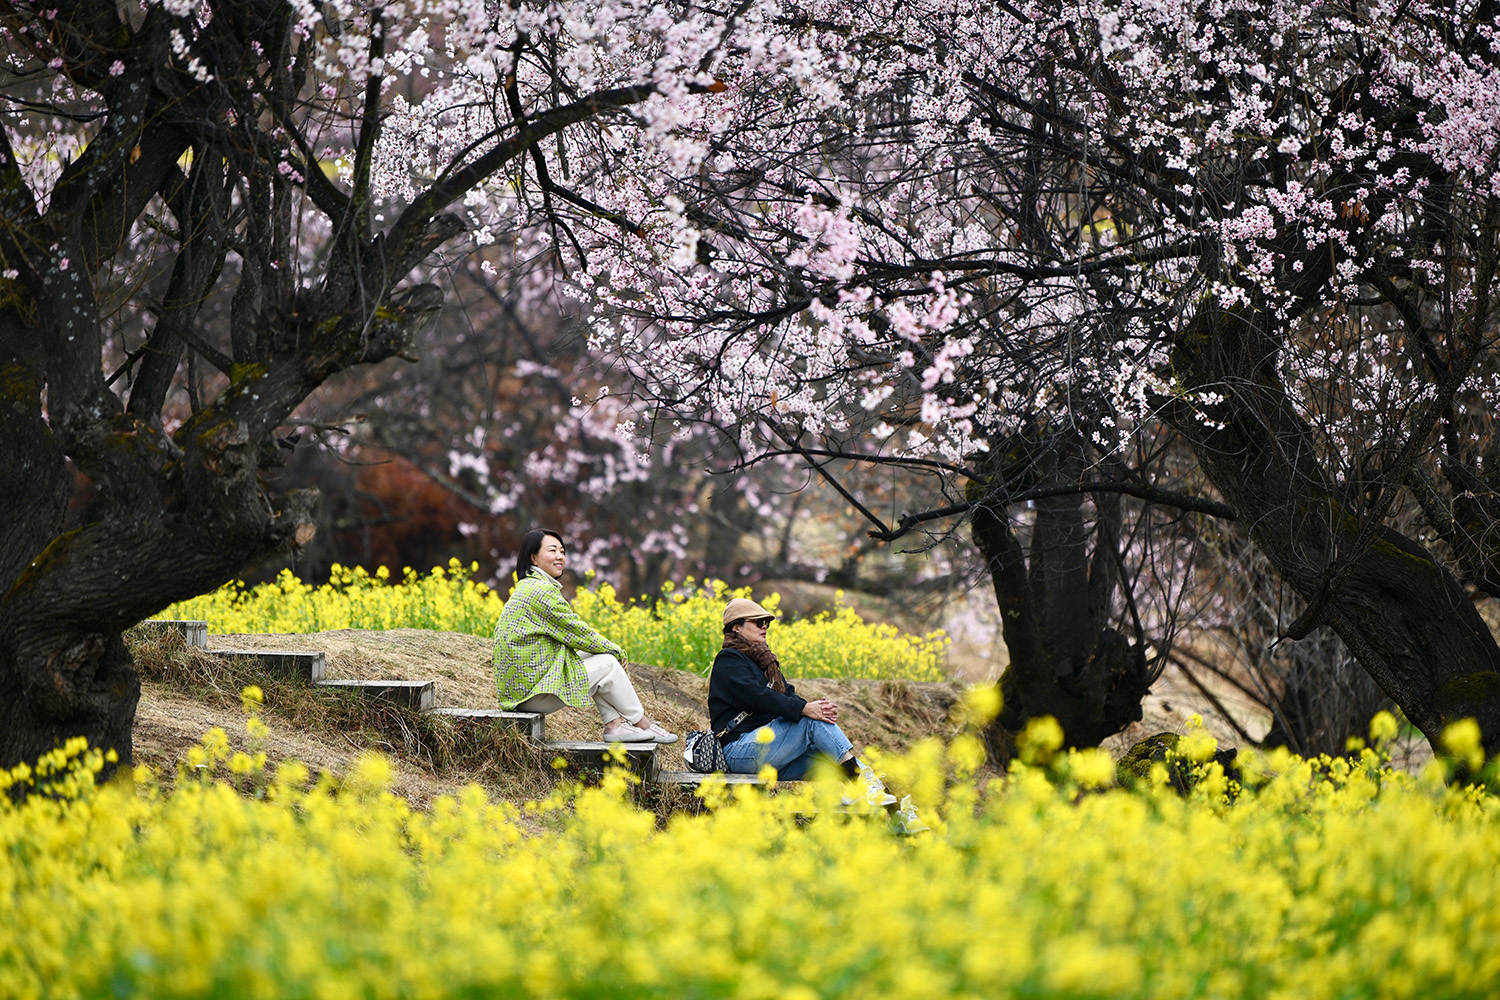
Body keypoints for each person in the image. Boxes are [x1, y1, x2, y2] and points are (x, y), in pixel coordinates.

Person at [493, 529, 677, 744]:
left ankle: (615, 726)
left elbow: (576, 637)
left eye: (562, 551)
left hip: (524, 690)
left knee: (597, 655)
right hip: (531, 695)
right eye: (552, 551)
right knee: (607, 662)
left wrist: (604, 648)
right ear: (533, 557)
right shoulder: (540, 592)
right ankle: (642, 723)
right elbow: (577, 632)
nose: (560, 556)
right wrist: (616, 650)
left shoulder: (529, 586)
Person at [708, 597, 894, 804]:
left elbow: (787, 694)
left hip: (767, 749)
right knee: (810, 721)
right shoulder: (728, 660)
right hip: (738, 751)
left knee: (827, 759)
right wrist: (806, 710)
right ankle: (864, 783)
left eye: (766, 623)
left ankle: (892, 809)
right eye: (758, 622)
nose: (764, 627)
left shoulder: (764, 662)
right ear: (736, 628)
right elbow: (758, 698)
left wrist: (818, 708)